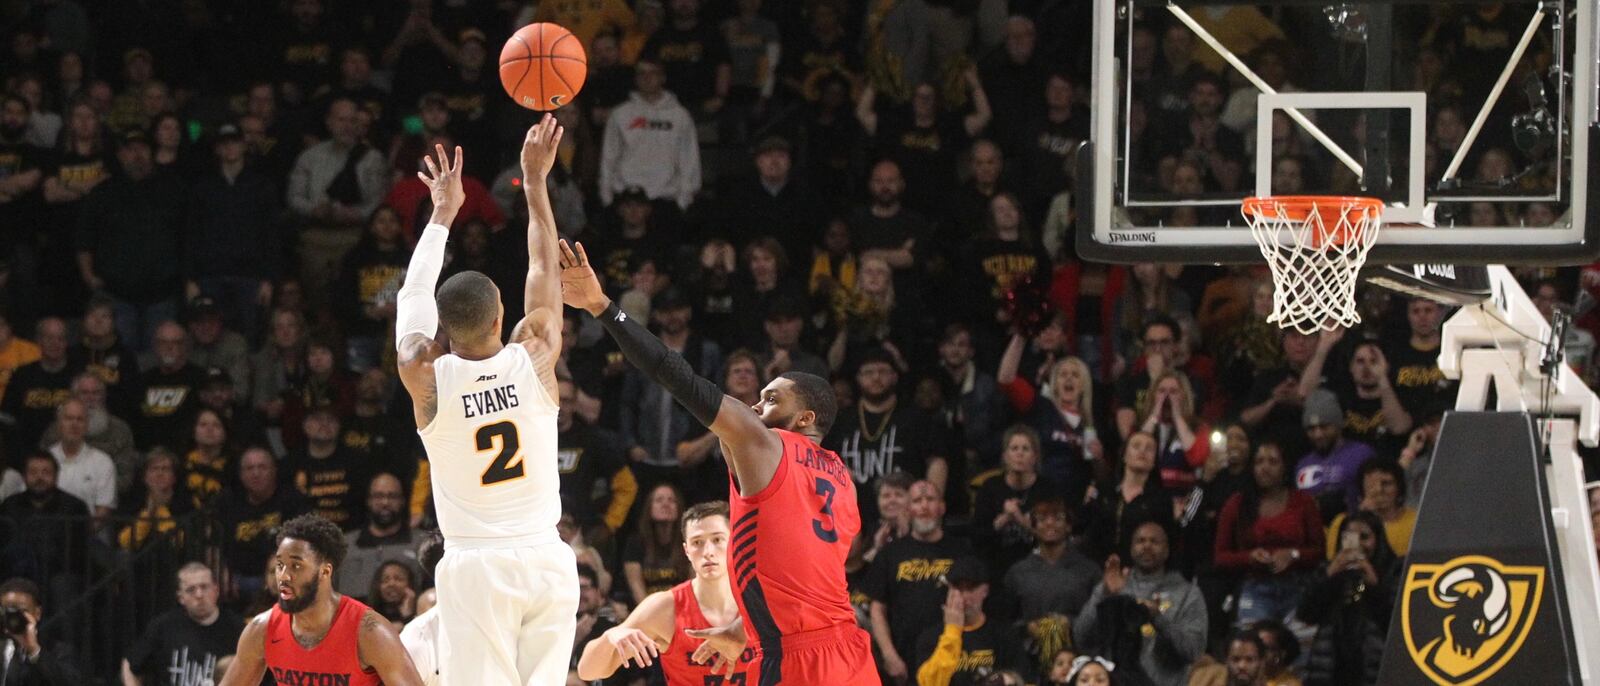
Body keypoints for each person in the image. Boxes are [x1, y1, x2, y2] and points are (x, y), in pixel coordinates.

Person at [561, 236, 877, 683]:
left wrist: (601, 306)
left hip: (799, 660)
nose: (755, 407)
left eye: (770, 399)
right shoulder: (841, 477)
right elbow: (805, 575)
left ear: (805, 417)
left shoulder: (768, 445)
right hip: (849, 650)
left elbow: (677, 375)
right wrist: (743, 627)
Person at [393, 119, 576, 685]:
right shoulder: (537, 353)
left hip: (475, 565)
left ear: (444, 333)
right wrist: (535, 182)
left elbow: (413, 295)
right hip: (548, 556)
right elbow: (545, 268)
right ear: (502, 317)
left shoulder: (426, 376)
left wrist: (442, 215)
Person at [217, 514, 423, 685]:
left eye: (296, 566)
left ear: (325, 571)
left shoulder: (370, 631)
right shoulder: (262, 628)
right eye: (280, 566)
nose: (284, 576)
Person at [578, 501, 763, 683]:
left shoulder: (763, 600)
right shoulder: (665, 607)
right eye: (697, 542)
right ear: (687, 551)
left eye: (717, 540)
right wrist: (610, 637)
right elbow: (587, 671)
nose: (708, 551)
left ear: (733, 542)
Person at [1073, 520, 1208, 686]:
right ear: (1131, 548)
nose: (1147, 546)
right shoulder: (1114, 585)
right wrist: (1104, 594)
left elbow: (1193, 651)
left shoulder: (1187, 593)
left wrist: (1157, 618)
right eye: (1140, 541)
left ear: (1167, 550)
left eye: (1154, 541)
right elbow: (1081, 638)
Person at [866, 480, 972, 684]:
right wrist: (888, 654)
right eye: (917, 501)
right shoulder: (890, 554)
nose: (924, 506)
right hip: (904, 656)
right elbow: (877, 608)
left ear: (942, 507)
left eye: (930, 499)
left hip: (954, 654)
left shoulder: (962, 550)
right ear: (908, 509)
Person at [121, 562, 244, 686]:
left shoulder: (237, 629)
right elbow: (131, 664)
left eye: (204, 587)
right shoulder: (164, 626)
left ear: (216, 590)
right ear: (181, 598)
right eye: (191, 590)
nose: (199, 595)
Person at [914, 557, 1020, 686]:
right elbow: (929, 683)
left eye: (970, 589)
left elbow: (1022, 678)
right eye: (958, 588)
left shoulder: (1003, 635)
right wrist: (952, 631)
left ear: (985, 591)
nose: (964, 596)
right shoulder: (930, 637)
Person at [0, 577, 82, 685]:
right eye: (8, 612)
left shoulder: (59, 652)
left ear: (37, 613)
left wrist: (35, 651)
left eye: (22, 611)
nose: (14, 618)